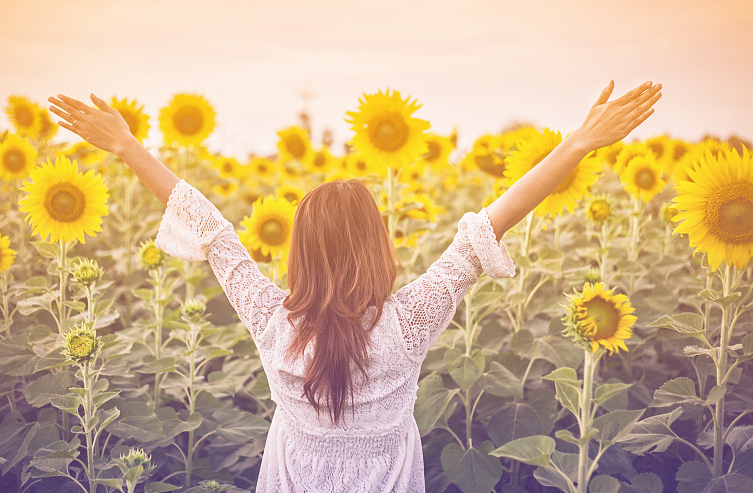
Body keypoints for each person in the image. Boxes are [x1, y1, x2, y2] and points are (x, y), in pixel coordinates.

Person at [48, 79, 662, 492]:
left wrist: (127, 145)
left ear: (299, 254)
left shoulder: (270, 320)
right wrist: (578, 143)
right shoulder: (411, 321)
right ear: (378, 248)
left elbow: (208, 226)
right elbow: (492, 220)